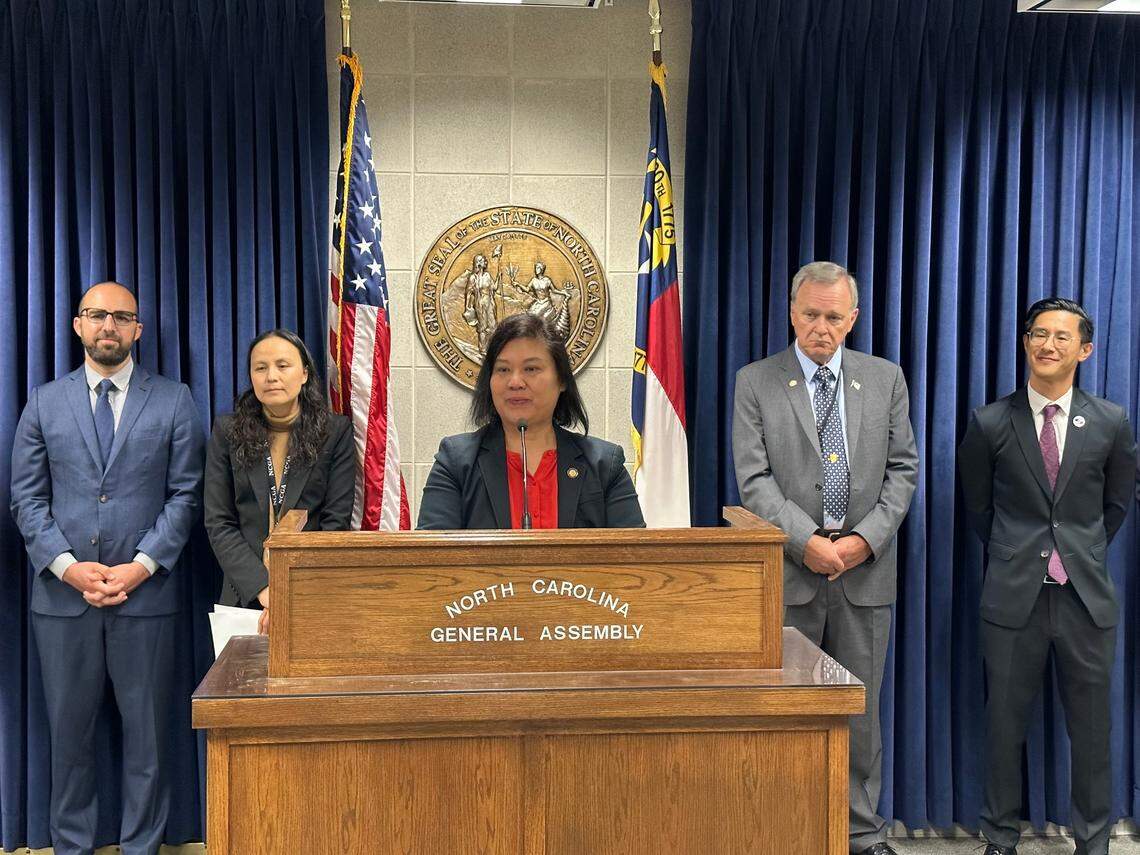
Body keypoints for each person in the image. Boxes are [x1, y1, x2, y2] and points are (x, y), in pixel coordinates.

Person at [10, 281, 205, 855]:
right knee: (69, 741)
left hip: (146, 599)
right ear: (78, 325)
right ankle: (72, 846)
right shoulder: (44, 402)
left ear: (137, 329)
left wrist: (141, 567)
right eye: (97, 315)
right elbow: (27, 500)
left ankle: (142, 846)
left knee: (148, 741)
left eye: (122, 317)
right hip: (63, 603)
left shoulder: (173, 400)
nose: (108, 326)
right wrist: (68, 568)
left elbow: (185, 496)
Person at [732, 261, 918, 855]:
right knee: (785, 708)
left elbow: (903, 471)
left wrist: (863, 541)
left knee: (860, 713)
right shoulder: (755, 381)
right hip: (792, 571)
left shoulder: (885, 379)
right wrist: (805, 541)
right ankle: (786, 830)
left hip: (866, 571)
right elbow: (753, 481)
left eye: (833, 317)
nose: (821, 327)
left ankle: (861, 833)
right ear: (792, 312)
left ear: (852, 318)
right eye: (810, 314)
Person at [958, 298, 1136, 855]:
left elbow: (1116, 506)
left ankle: (1094, 841)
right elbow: (980, 509)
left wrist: (1077, 553)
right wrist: (1022, 555)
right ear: (1025, 342)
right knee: (1004, 726)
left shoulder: (1110, 421)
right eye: (1038, 334)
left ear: (1085, 350)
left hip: (1086, 600)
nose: (1047, 345)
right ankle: (999, 837)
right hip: (1014, 599)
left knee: (1092, 731)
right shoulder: (990, 422)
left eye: (1061, 337)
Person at [418, 312, 644, 530]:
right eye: (503, 369)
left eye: (531, 369)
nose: (515, 382)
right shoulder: (456, 461)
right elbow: (431, 553)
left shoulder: (604, 464)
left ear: (562, 380)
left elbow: (635, 552)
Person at [204, 329, 355, 633]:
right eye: (260, 368)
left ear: (304, 373)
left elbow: (334, 524)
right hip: (244, 595)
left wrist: (289, 593)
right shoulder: (227, 432)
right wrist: (264, 590)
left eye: (283, 366)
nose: (271, 376)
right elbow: (219, 522)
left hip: (309, 594)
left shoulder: (334, 432)